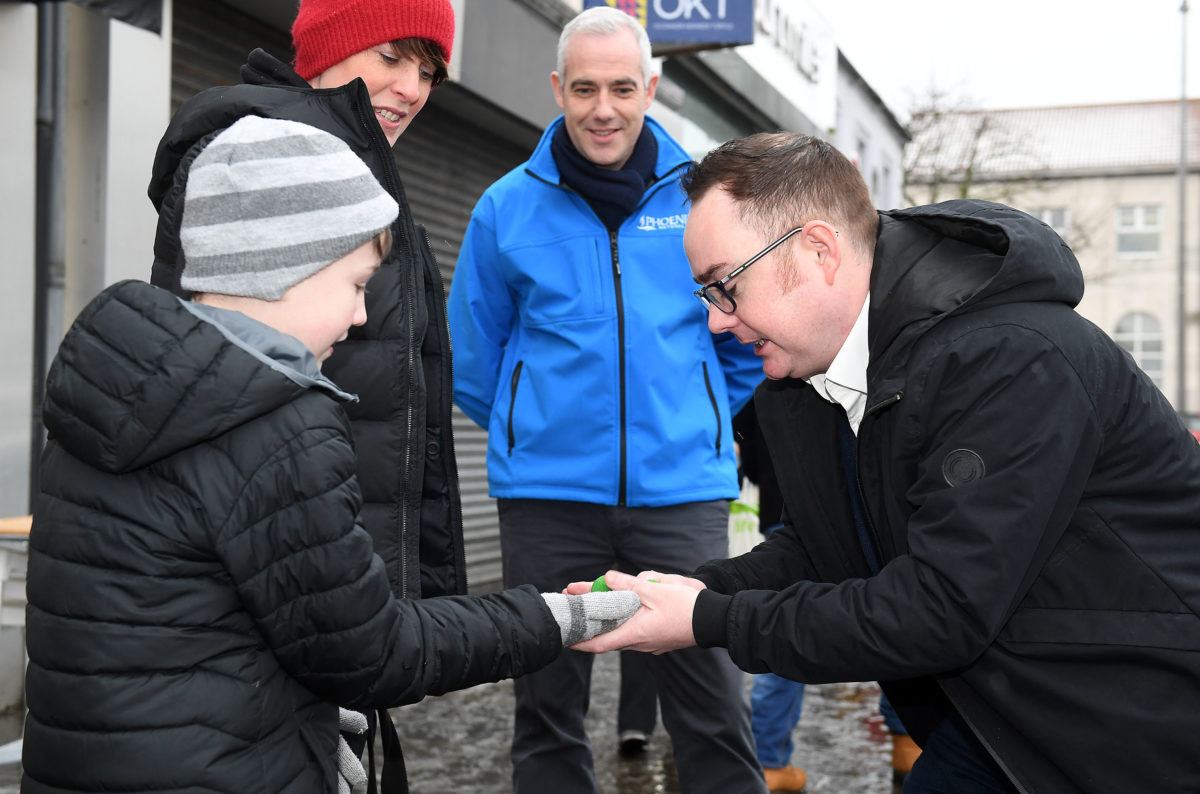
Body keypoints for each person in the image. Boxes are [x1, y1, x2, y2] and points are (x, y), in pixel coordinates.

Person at [21, 116, 640, 793]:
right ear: (286, 266)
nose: (362, 317)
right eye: (355, 284)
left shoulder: (117, 393)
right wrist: (557, 617)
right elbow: (372, 652)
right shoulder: (273, 424)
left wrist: (300, 724)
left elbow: (191, 629)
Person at [573, 132, 1200, 793]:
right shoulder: (810, 382)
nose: (717, 322)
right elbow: (827, 547)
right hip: (1007, 717)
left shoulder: (1010, 360)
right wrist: (687, 593)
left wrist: (707, 620)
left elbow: (940, 608)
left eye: (724, 286)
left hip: (1144, 730)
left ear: (818, 251)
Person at [445, 7, 766, 792]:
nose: (603, 108)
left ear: (651, 87)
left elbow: (747, 331)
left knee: (713, 706)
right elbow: (473, 353)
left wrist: (696, 413)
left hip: (680, 492)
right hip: (548, 500)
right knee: (547, 712)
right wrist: (534, 429)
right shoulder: (504, 208)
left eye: (623, 87)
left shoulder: (706, 198)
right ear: (557, 88)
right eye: (584, 88)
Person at [149, 0, 464, 610]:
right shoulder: (268, 159)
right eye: (391, 57)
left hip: (333, 538)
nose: (410, 89)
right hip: (288, 550)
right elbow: (212, 374)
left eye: (428, 72)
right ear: (327, 47)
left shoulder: (357, 166)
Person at [733, 403, 919, 791]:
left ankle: (767, 756)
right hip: (852, 522)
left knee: (784, 623)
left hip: (785, 513)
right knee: (897, 613)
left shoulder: (776, 384)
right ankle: (906, 740)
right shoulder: (802, 380)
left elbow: (748, 456)